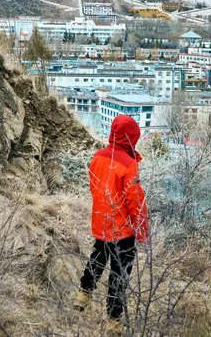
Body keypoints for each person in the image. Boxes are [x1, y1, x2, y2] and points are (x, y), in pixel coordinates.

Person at [73, 115, 149, 335]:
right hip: (122, 228)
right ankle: (113, 321)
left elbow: (93, 186)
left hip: (100, 218)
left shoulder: (98, 156)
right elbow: (135, 200)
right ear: (131, 137)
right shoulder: (128, 164)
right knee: (119, 273)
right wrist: (142, 230)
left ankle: (83, 293)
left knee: (97, 256)